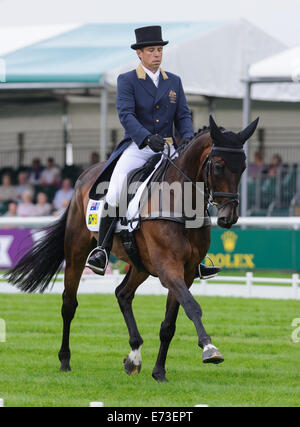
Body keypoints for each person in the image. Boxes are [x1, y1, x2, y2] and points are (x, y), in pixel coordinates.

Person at [86, 25, 220, 280]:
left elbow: (182, 115)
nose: (157, 54)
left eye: (159, 49)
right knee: (115, 191)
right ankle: (101, 250)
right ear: (140, 54)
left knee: (191, 189)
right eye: (151, 50)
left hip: (169, 147)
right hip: (138, 147)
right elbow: (126, 115)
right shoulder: (127, 80)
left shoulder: (174, 81)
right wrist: (146, 137)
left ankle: (197, 259)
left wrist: (188, 141)